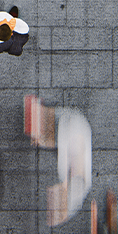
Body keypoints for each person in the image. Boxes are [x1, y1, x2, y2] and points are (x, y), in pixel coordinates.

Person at [24, 95, 91, 226]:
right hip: (72, 126)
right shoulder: (77, 187)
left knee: (43, 136)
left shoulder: (71, 187)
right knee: (43, 132)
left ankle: (39, 118)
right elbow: (77, 156)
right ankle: (38, 115)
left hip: (72, 128)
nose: (50, 192)